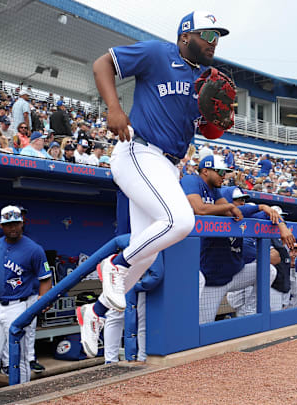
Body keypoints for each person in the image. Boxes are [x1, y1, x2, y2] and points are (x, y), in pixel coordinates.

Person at [76, 10, 230, 357]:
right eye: (207, 35)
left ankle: (94, 312)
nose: (213, 42)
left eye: (217, 37)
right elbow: (103, 64)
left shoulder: (202, 80)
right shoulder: (160, 53)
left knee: (146, 255)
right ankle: (113, 265)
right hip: (138, 151)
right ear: (185, 36)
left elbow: (207, 126)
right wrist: (113, 108)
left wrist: (217, 120)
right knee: (181, 221)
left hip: (165, 164)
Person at [0, 206, 52, 391]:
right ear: (1, 225)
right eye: (8, 224)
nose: (13, 228)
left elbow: (45, 279)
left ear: (22, 223)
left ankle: (22, 395)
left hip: (19, 305)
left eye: (16, 223)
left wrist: (42, 300)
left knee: (21, 357)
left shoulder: (34, 249)